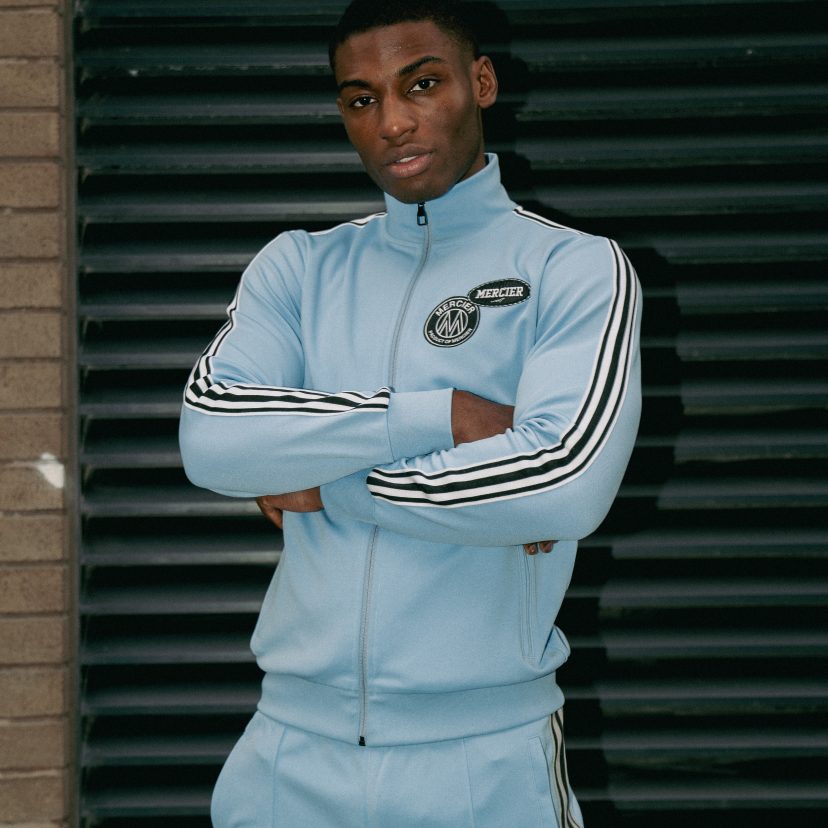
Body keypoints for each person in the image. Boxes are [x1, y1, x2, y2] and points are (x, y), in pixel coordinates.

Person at [179, 0, 641, 824]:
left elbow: (563, 483)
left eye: (421, 84)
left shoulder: (575, 269)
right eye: (361, 99)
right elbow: (213, 437)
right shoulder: (298, 269)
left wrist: (324, 484)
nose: (392, 122)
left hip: (483, 762)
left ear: (481, 82)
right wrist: (442, 415)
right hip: (289, 758)